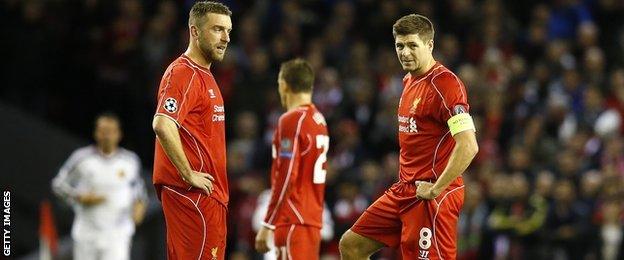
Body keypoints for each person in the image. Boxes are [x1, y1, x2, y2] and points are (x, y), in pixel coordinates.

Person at [339, 14, 479, 259]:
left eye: (412, 45)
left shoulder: (445, 85)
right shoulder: (409, 80)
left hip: (432, 195)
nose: (405, 52)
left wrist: (436, 188)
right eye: (400, 46)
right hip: (404, 190)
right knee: (351, 246)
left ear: (429, 45)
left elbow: (469, 146)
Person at [151, 1, 232, 259]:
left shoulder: (205, 75)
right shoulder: (183, 73)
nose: (226, 38)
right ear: (195, 31)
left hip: (207, 197)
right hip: (194, 197)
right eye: (218, 29)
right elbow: (162, 123)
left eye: (228, 31)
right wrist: (188, 174)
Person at [254, 59, 330, 259]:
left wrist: (268, 223)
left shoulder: (291, 120)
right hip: (312, 220)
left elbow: (286, 175)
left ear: (284, 85)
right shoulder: (319, 120)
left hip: (292, 219)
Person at [52, 113, 147, 260]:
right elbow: (58, 184)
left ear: (119, 134)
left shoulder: (130, 161)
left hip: (117, 234)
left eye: (110, 131)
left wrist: (139, 207)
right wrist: (79, 196)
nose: (107, 136)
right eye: (103, 131)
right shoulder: (82, 158)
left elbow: (139, 192)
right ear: (96, 133)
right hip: (87, 233)